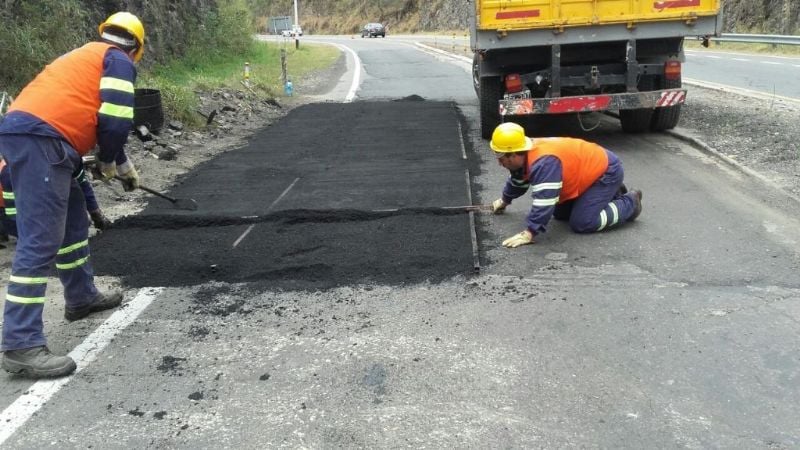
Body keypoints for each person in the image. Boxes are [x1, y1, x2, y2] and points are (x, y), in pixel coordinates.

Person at [0, 12, 144, 378]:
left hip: (43, 138)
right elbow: (115, 117)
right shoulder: (118, 60)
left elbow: (94, 117)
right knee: (40, 240)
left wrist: (121, 164)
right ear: (138, 48)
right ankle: (20, 343)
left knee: (74, 221)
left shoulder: (86, 56)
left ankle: (81, 297)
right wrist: (110, 159)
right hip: (42, 140)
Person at [489, 122, 643, 248]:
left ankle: (630, 202)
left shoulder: (544, 163)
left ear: (514, 154)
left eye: (501, 158)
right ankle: (611, 193)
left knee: (583, 222)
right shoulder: (525, 155)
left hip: (606, 172)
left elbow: (545, 201)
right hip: (588, 172)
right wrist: (504, 201)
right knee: (561, 214)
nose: (499, 163)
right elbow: (518, 180)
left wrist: (529, 232)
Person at [0, 156, 112, 238]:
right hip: (5, 204)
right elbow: (13, 214)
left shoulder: (69, 157)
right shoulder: (11, 172)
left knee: (80, 223)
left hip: (35, 195)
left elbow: (83, 187)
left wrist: (95, 213)